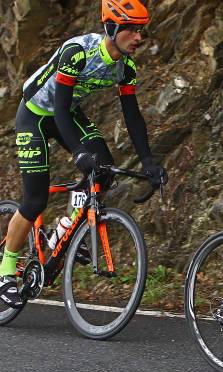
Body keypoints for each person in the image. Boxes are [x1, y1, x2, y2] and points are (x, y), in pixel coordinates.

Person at [0, 0, 166, 309]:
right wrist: (77, 151)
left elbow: (133, 117)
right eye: (131, 30)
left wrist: (149, 162)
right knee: (35, 200)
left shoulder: (125, 68)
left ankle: (66, 229)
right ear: (112, 28)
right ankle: (6, 270)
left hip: (67, 113)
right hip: (36, 114)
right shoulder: (77, 52)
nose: (138, 37)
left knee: (103, 168)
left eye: (140, 30)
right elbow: (59, 108)